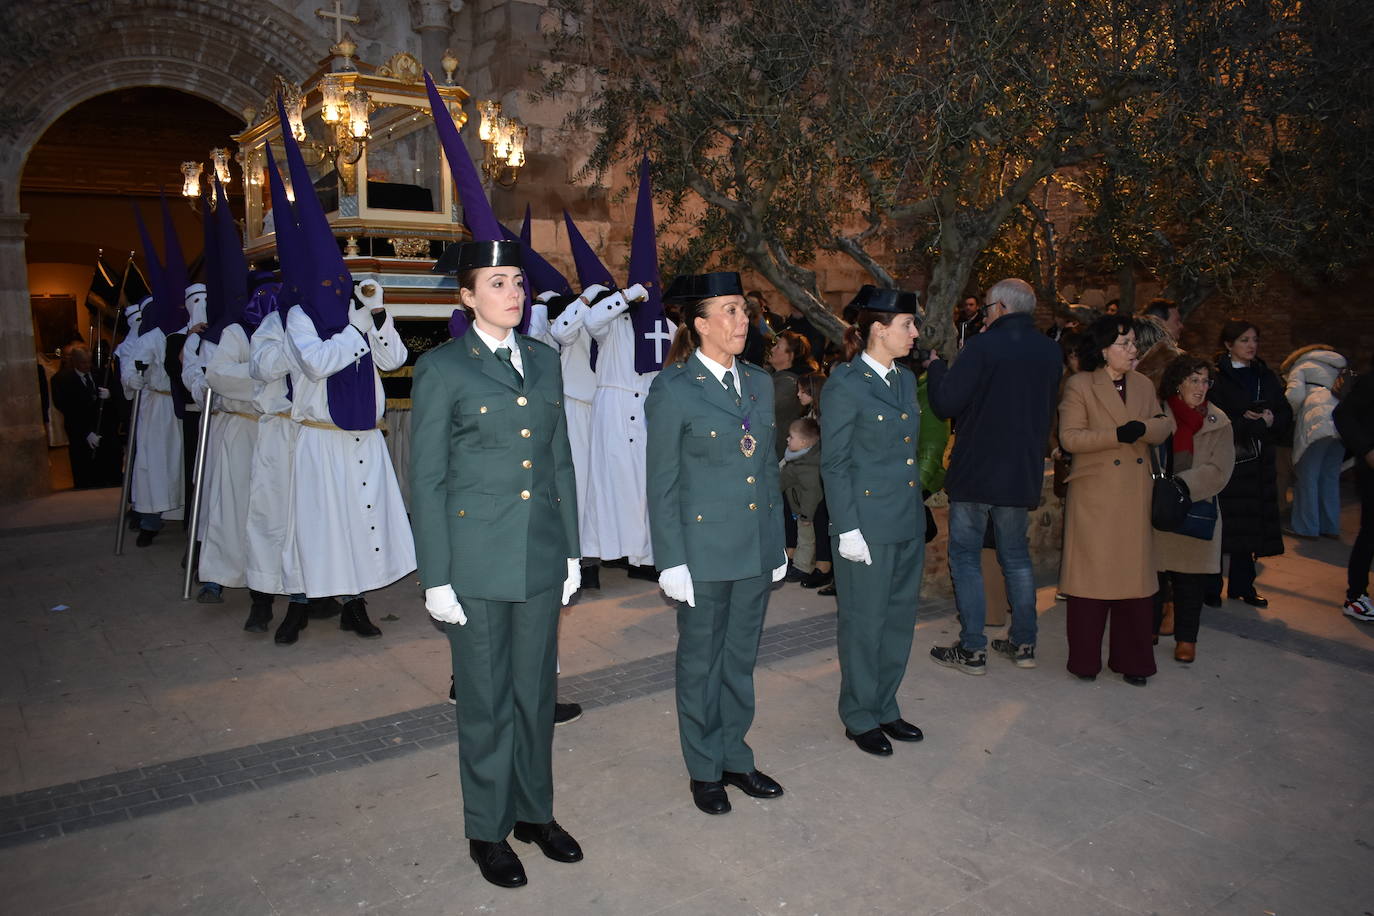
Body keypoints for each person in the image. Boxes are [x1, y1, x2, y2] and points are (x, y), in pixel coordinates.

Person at [411, 239, 584, 888]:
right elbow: (427, 480)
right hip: (476, 565)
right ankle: (487, 829)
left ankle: (534, 813)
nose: (514, 293)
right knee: (485, 702)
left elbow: (560, 461)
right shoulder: (442, 369)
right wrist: (436, 577)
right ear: (467, 297)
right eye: (497, 282)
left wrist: (572, 550)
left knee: (535, 696)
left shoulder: (543, 360)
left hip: (539, 556)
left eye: (517, 281)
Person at [646, 270, 788, 815]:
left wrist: (776, 542)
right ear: (700, 324)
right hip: (702, 553)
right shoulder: (674, 388)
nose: (742, 319)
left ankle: (735, 757)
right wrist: (671, 560)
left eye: (744, 310)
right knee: (702, 662)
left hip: (753, 546)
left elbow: (766, 468)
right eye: (729, 310)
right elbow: (662, 481)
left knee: (739, 660)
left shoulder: (757, 382)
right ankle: (704, 768)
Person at [926, 278, 1064, 673]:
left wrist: (936, 369)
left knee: (966, 556)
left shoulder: (983, 346)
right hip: (1021, 469)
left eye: (987, 308)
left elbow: (946, 402)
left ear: (1000, 307)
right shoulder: (1050, 351)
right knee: (1016, 556)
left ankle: (972, 648)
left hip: (977, 469)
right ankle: (1024, 642)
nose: (985, 315)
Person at [820, 285, 926, 756]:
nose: (915, 333)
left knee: (898, 620)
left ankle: (885, 705)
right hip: (865, 526)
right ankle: (859, 714)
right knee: (864, 624)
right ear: (879, 330)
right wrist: (847, 529)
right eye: (907, 324)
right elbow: (834, 463)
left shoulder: (904, 379)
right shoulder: (846, 384)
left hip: (904, 520)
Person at [1057, 316, 1174, 685]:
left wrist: (1145, 429)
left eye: (1134, 342)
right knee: (1091, 581)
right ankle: (1085, 661)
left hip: (1135, 493)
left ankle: (1133, 661)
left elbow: (1164, 424)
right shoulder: (1080, 384)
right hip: (1095, 496)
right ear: (1104, 349)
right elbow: (1070, 438)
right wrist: (1118, 434)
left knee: (1134, 583)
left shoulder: (1143, 384)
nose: (1133, 350)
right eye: (1124, 343)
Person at [1152, 355, 1236, 662]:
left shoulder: (1219, 421)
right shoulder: (1158, 415)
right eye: (1194, 380)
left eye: (1205, 381)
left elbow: (1220, 470)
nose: (1200, 387)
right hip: (1159, 506)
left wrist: (1182, 486)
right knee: (1153, 577)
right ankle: (1149, 628)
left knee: (1191, 581)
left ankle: (1186, 639)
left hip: (1197, 507)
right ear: (1178, 383)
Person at [1209, 319, 1291, 607]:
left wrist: (1270, 420)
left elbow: (1285, 412)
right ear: (1228, 344)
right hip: (1229, 459)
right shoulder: (1216, 377)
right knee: (1222, 525)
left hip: (1258, 462)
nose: (1251, 345)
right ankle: (1211, 587)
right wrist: (1246, 421)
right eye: (1244, 340)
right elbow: (1213, 418)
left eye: (1255, 340)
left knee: (1250, 525)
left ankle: (1243, 585)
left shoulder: (1264, 375)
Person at [1282, 344, 1349, 538]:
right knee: (1330, 476)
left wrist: (1289, 416)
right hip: (1341, 422)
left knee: (1307, 476)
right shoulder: (1339, 366)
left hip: (1316, 422)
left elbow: (1294, 397)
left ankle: (1306, 527)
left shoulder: (1302, 366)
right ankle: (1330, 526)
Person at [1334, 367, 1374, 621]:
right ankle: (1356, 596)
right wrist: (1367, 450)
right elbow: (1343, 415)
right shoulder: (1370, 382)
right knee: (1370, 532)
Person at [49, 343, 115, 489]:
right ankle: (84, 484)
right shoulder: (61, 380)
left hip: (101, 425)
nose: (87, 366)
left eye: (89, 362)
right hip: (78, 427)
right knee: (82, 460)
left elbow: (114, 395)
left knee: (104, 460)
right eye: (83, 363)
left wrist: (110, 395)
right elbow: (65, 407)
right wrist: (86, 432)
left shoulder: (100, 374)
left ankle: (104, 480)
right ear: (75, 362)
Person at [780, 417, 825, 581]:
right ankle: (797, 563)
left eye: (791, 437)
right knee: (801, 537)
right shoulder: (796, 458)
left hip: (806, 512)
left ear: (804, 443)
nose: (787, 439)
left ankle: (802, 568)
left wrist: (806, 515)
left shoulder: (808, 465)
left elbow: (812, 493)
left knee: (806, 539)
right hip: (797, 507)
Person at [768, 330, 813, 459]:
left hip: (775, 448)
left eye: (778, 347)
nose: (772, 349)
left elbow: (764, 407)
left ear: (790, 356)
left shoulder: (788, 383)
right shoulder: (779, 377)